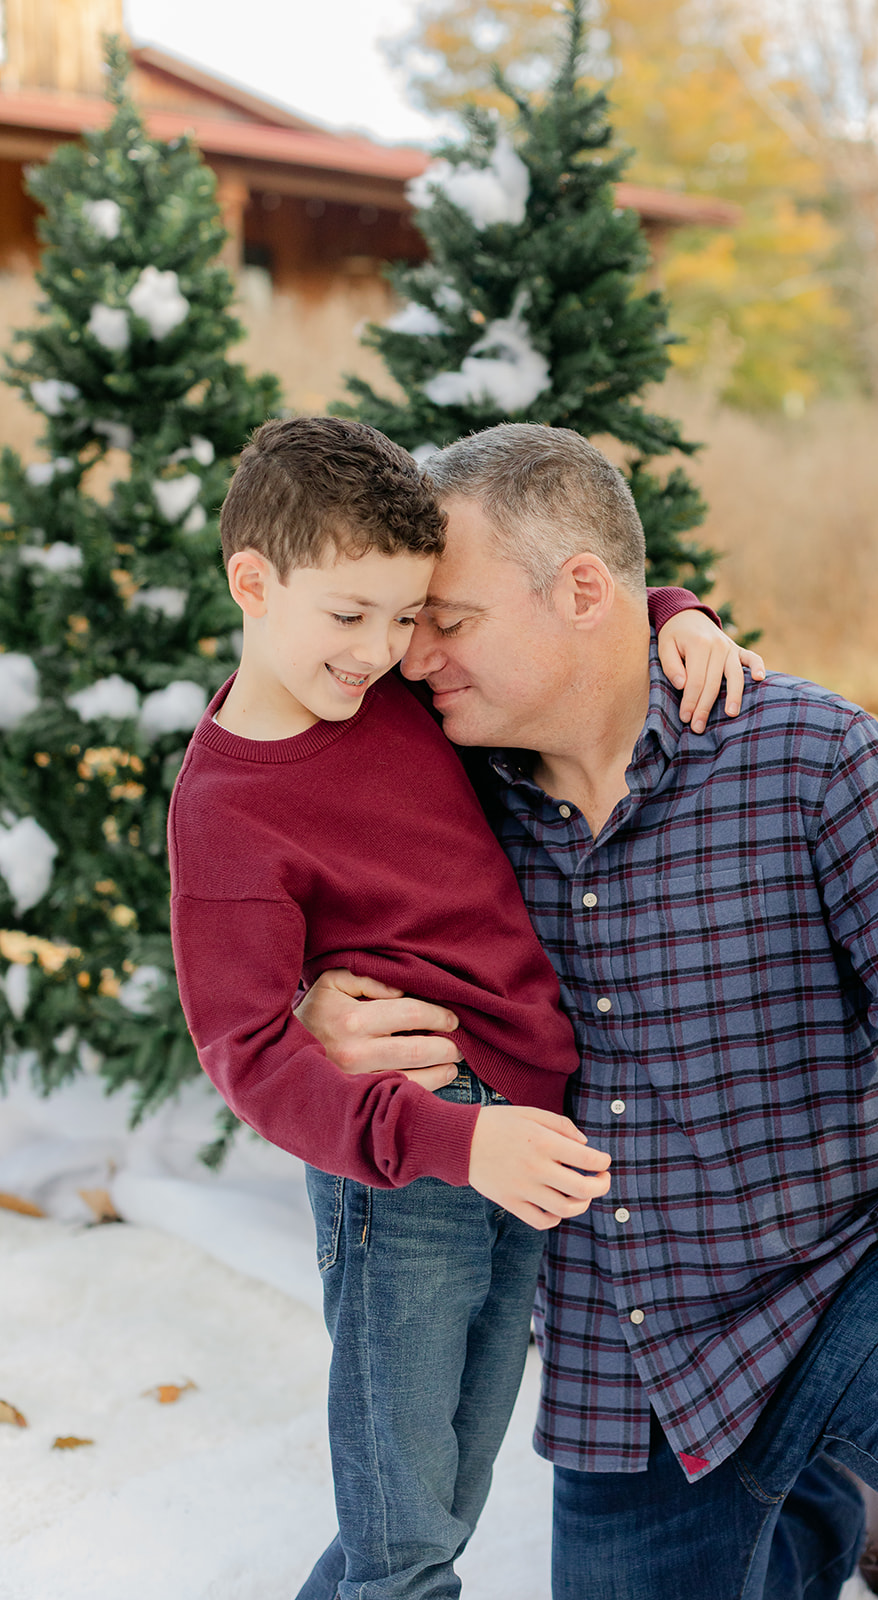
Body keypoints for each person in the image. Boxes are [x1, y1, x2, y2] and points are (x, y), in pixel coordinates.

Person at [299, 421, 878, 1599]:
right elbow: (257, 761)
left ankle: (853, 1471)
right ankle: (828, 1502)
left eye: (447, 622)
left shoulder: (808, 756)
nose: (414, 657)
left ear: (582, 592)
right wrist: (309, 1008)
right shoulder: (433, 793)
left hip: (847, 1271)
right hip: (631, 1364)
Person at [166, 415, 755, 1600]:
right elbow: (247, 1056)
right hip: (411, 1152)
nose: (386, 650)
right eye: (353, 615)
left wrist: (671, 608)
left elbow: (553, 615)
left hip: (517, 1130)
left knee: (441, 1499)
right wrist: (450, 1136)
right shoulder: (228, 808)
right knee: (403, 1537)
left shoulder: (384, 694)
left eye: (406, 616)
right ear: (252, 582)